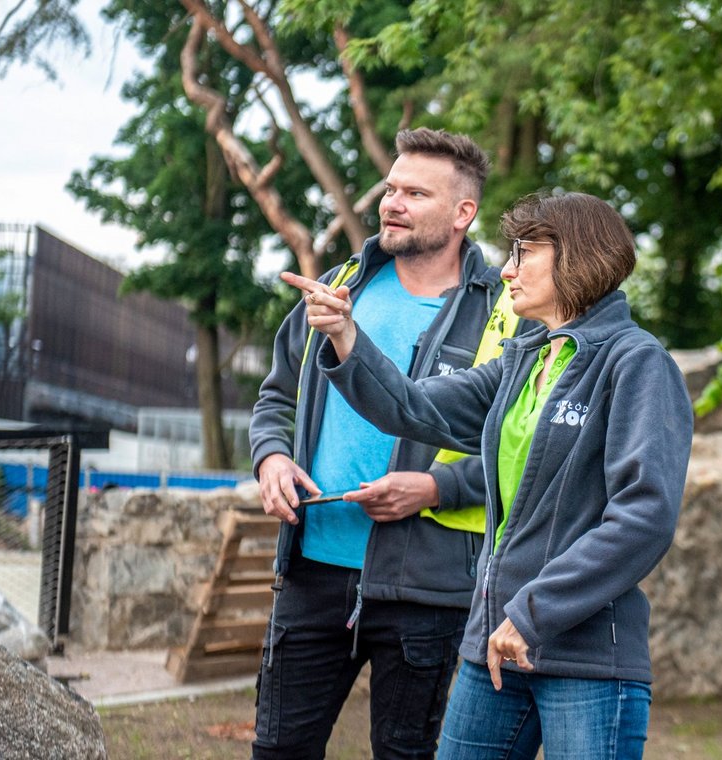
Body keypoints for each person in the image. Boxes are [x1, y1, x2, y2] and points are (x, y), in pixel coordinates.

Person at [288, 191, 695, 760]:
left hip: (585, 661)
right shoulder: (522, 361)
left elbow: (644, 518)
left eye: (524, 252)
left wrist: (533, 614)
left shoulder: (637, 362)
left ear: (578, 257)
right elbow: (411, 406)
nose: (506, 269)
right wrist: (345, 337)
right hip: (494, 648)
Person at [248, 127, 525, 759]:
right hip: (312, 571)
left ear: (463, 213)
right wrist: (272, 456)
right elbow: (273, 400)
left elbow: (521, 446)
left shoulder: (503, 314)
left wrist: (435, 487)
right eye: (390, 188)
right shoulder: (338, 287)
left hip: (425, 589)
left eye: (414, 193)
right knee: (277, 752)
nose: (391, 203)